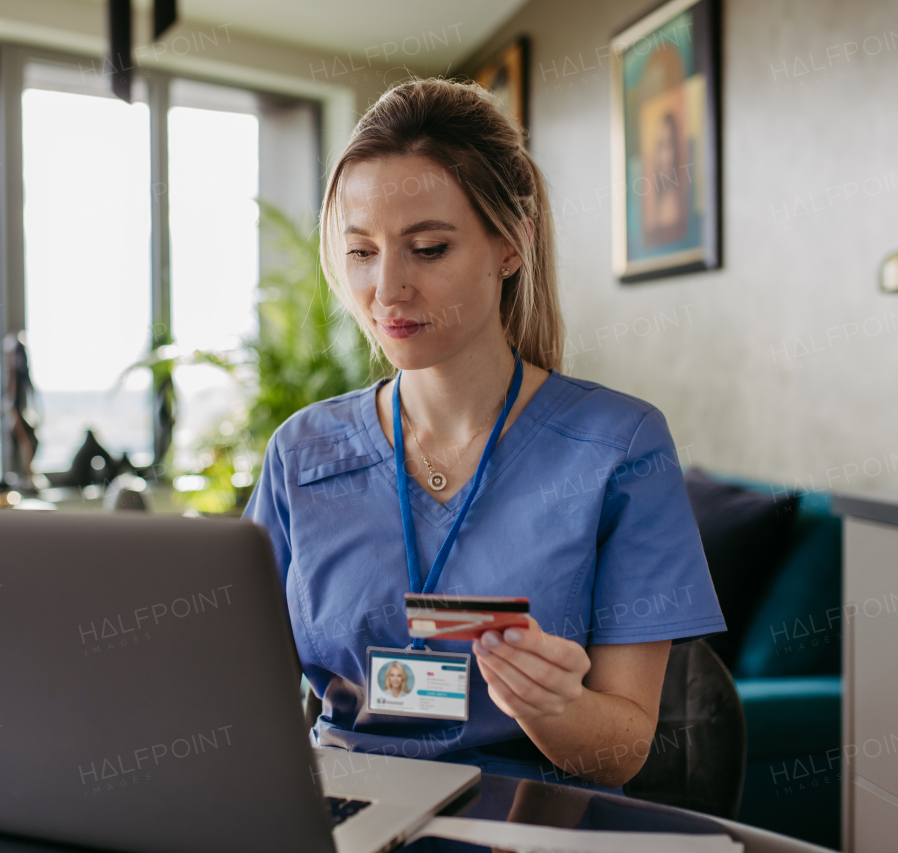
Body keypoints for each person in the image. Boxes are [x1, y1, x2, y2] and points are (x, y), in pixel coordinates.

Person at [243, 78, 725, 793]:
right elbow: (240, 691)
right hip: (339, 813)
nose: (387, 289)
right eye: (362, 252)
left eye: (428, 248)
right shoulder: (301, 451)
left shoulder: (621, 447)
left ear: (510, 246)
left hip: (528, 818)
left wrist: (556, 705)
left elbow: (622, 749)